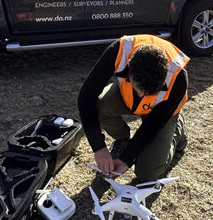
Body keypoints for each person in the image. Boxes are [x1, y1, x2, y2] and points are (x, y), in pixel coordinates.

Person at [78, 34, 189, 182]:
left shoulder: (178, 77)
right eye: (139, 89)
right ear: (129, 65)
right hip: (126, 97)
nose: (142, 95)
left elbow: (153, 125)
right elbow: (86, 97)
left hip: (159, 113)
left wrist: (127, 159)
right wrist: (99, 148)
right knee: (101, 106)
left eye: (149, 92)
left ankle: (177, 128)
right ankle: (123, 140)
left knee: (147, 174)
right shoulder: (119, 50)